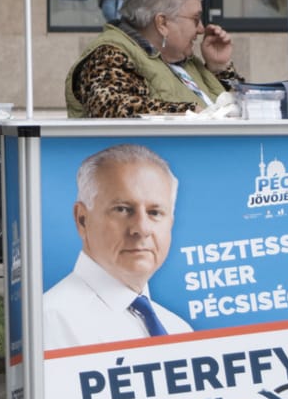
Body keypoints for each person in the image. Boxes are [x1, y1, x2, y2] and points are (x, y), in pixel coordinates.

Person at [44, 143, 191, 346]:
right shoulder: (51, 321)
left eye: (154, 212)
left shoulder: (179, 330)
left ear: (170, 224)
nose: (141, 228)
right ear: (82, 219)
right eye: (122, 209)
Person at [65, 0, 240, 118]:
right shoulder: (109, 55)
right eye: (195, 19)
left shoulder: (182, 59)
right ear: (162, 23)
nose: (201, 29)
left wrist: (218, 68)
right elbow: (112, 109)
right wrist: (190, 112)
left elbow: (235, 109)